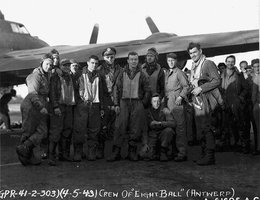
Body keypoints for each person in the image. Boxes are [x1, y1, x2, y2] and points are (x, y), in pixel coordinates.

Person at [107, 51, 150, 161]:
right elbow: (116, 88)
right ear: (128, 60)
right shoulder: (122, 73)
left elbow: (147, 90)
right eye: (131, 59)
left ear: (138, 61)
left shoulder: (143, 73)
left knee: (135, 128)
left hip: (137, 102)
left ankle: (132, 152)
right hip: (124, 102)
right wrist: (116, 104)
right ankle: (116, 152)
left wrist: (143, 103)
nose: (134, 61)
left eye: (135, 59)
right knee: (119, 126)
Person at [16, 53, 53, 166]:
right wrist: (40, 107)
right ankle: (26, 157)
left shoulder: (46, 75)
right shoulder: (35, 76)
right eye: (47, 64)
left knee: (42, 131)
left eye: (51, 65)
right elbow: (32, 94)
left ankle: (24, 148)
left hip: (39, 105)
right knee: (28, 131)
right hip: (31, 105)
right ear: (41, 63)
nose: (49, 67)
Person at [188, 42, 222, 165]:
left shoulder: (207, 64)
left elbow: (217, 80)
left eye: (195, 52)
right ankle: (204, 154)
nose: (193, 55)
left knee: (207, 128)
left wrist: (201, 88)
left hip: (207, 100)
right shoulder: (194, 66)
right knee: (201, 128)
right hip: (198, 101)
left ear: (200, 51)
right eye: (191, 53)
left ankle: (210, 156)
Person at [76, 55, 106, 161]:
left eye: (96, 63)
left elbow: (102, 93)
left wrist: (102, 107)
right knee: (80, 128)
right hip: (83, 105)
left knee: (94, 129)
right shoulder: (80, 74)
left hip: (95, 105)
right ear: (88, 63)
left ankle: (91, 151)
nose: (94, 65)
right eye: (92, 63)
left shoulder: (100, 76)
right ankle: (78, 152)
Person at [48, 59, 77, 166]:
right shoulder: (55, 78)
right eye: (64, 65)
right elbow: (52, 93)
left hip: (69, 107)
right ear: (60, 66)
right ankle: (51, 156)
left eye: (68, 65)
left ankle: (64, 154)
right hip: (59, 107)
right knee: (56, 131)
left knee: (67, 130)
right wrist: (55, 106)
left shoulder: (70, 77)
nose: (66, 67)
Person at [96, 47, 123, 159]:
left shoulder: (120, 69)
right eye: (107, 57)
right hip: (105, 99)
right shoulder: (99, 70)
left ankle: (114, 151)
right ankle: (100, 149)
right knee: (103, 125)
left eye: (112, 57)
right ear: (104, 57)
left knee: (117, 126)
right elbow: (99, 89)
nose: (110, 59)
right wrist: (103, 105)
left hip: (117, 100)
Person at [164, 53, 189, 162]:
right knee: (171, 127)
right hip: (168, 101)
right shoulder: (167, 73)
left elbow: (186, 86)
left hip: (177, 102)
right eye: (169, 60)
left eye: (173, 60)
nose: (171, 62)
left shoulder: (179, 73)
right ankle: (173, 151)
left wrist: (181, 97)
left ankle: (182, 153)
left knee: (180, 128)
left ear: (176, 61)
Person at [221, 55, 249, 153]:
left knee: (240, 125)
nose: (230, 63)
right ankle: (229, 144)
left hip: (236, 104)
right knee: (227, 125)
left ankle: (243, 145)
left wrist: (240, 98)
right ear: (225, 62)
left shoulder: (239, 75)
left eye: (232, 61)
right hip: (225, 103)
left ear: (234, 63)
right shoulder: (221, 75)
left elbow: (246, 88)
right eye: (228, 61)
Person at [144, 93, 175, 161]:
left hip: (162, 134)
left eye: (158, 101)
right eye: (154, 101)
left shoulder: (165, 110)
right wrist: (145, 143)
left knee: (169, 131)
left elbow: (173, 123)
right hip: (152, 135)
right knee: (147, 156)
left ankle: (163, 151)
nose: (157, 103)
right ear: (151, 102)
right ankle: (155, 152)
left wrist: (160, 123)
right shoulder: (147, 112)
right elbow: (144, 129)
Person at [251, 59, 260, 155]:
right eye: (255, 66)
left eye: (259, 66)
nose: (257, 68)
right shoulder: (251, 77)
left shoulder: (257, 78)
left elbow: (254, 95)